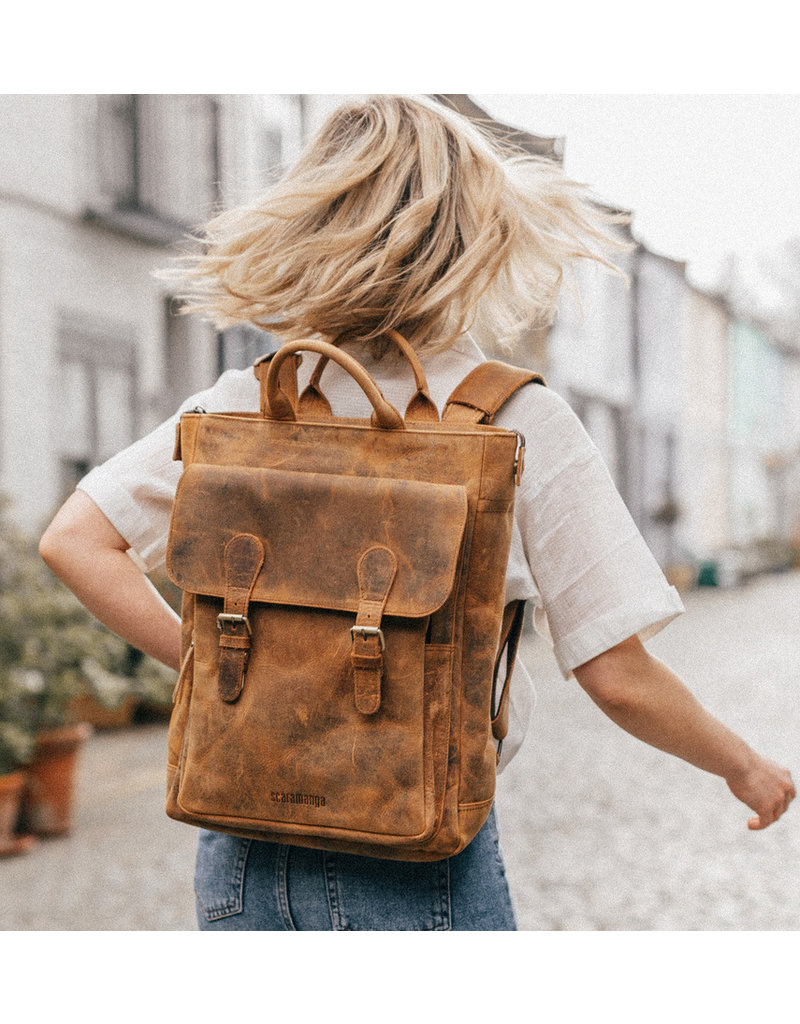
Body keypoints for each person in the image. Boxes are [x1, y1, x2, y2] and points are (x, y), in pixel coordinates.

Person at [39, 95, 794, 931]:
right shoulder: (514, 421)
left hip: (242, 840)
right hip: (415, 848)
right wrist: (745, 765)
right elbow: (616, 676)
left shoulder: (251, 401)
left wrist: (222, 669)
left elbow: (76, 540)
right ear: (477, 243)